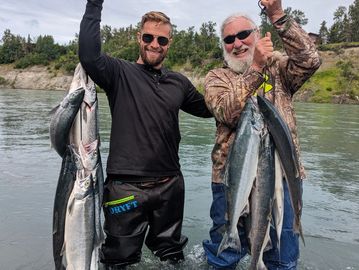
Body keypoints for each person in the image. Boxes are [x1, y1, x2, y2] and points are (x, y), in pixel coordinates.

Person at [78, 0, 212, 268]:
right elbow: (89, 55)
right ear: (139, 37)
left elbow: (212, 109)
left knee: (172, 258)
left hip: (170, 186)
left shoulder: (179, 83)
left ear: (169, 43)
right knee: (118, 260)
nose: (154, 44)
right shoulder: (118, 73)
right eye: (148, 37)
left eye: (161, 40)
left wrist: (256, 75)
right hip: (125, 189)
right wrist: (95, 4)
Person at [202, 0, 321, 269]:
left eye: (244, 34)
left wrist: (277, 15)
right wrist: (255, 68)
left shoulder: (279, 69)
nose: (238, 43)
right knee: (223, 259)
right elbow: (227, 112)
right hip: (230, 180)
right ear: (224, 45)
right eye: (229, 38)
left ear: (257, 35)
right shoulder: (216, 77)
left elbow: (311, 60)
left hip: (283, 178)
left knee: (283, 260)